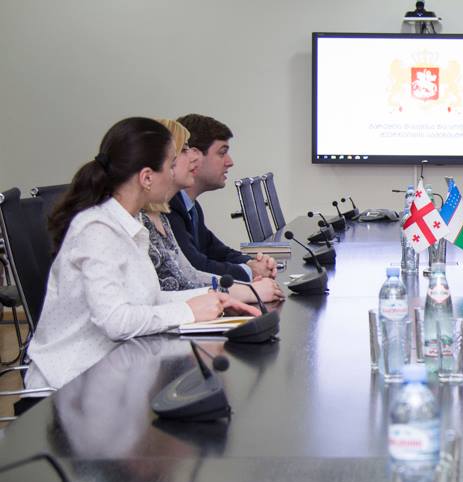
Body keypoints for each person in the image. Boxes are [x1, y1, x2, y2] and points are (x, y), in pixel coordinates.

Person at [29, 117, 258, 389]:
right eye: (171, 166)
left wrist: (212, 297)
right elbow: (116, 321)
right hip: (70, 386)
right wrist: (188, 310)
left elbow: (149, 299)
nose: (174, 175)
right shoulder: (97, 229)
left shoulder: (131, 222)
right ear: (147, 177)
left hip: (113, 378)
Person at [141, 119, 283, 304]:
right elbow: (178, 284)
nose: (194, 158)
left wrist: (249, 268)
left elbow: (191, 273)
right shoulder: (146, 218)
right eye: (184, 150)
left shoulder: (163, 217)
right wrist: (247, 289)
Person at [167, 114, 276, 282]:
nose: (230, 162)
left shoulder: (191, 206)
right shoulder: (169, 207)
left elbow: (215, 250)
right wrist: (250, 271)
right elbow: (195, 266)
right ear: (195, 156)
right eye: (222, 153)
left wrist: (250, 262)